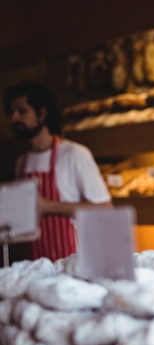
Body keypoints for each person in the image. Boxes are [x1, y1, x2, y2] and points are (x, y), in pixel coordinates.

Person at [3, 80, 112, 262]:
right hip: (34, 265)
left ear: (42, 113)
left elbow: (105, 210)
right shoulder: (22, 163)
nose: (14, 119)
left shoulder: (74, 155)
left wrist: (48, 206)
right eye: (11, 112)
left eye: (22, 111)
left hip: (72, 265)